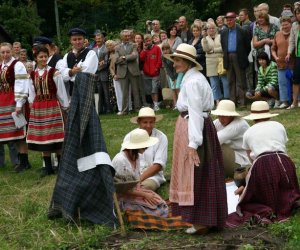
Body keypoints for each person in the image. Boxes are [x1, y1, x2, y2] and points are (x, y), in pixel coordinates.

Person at [165, 44, 227, 234]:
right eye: (174, 60)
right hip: (198, 125)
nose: (174, 64)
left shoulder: (192, 82)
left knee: (196, 172)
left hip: (195, 127)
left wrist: (193, 144)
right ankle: (207, 219)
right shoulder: (193, 78)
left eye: (177, 60)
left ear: (187, 62)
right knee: (204, 171)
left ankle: (200, 221)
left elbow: (194, 113)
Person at [48, 70, 115, 226]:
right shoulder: (79, 113)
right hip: (78, 166)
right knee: (73, 181)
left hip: (90, 164)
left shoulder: (85, 112)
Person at [226, 101, 300, 228]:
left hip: (262, 163)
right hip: (284, 161)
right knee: (285, 188)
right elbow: (283, 148)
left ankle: (268, 208)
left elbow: (251, 157)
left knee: (256, 195)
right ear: (269, 115)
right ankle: (288, 202)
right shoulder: (278, 125)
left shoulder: (249, 132)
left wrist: (252, 173)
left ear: (253, 118)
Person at [27, 46, 69, 177]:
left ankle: (61, 166)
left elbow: (61, 90)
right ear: (36, 58)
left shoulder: (54, 72)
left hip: (52, 106)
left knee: (56, 135)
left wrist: (65, 107)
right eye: (40, 57)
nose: (43, 59)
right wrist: (32, 105)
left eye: (45, 56)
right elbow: (32, 92)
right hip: (39, 108)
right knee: (43, 136)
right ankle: (48, 167)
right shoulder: (32, 75)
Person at [113, 128, 168, 216]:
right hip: (120, 197)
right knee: (154, 210)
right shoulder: (121, 160)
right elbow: (121, 189)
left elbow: (136, 181)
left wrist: (145, 194)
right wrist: (144, 195)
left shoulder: (136, 156)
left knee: (159, 202)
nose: (147, 147)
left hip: (133, 191)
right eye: (145, 145)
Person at [0, 42, 31, 173]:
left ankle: (24, 162)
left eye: (7, 51)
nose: (5, 54)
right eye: (2, 52)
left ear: (12, 51)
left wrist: (19, 103)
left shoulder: (17, 65)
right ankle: (20, 161)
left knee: (19, 132)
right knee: (11, 132)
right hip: (3, 100)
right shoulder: (1, 66)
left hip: (14, 99)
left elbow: (22, 83)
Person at [123, 107, 167, 191]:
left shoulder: (161, 137)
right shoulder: (130, 136)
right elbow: (124, 160)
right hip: (131, 175)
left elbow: (158, 165)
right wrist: (132, 180)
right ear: (138, 122)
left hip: (152, 176)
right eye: (145, 122)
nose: (148, 125)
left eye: (151, 122)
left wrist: (139, 180)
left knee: (143, 188)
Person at [211, 100, 251, 178]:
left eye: (224, 116)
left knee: (217, 146)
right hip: (234, 156)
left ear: (231, 115)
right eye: (219, 115)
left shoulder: (239, 124)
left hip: (243, 162)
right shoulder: (218, 122)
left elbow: (215, 141)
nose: (221, 119)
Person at [220, 12, 251, 107]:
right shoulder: (224, 32)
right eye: (227, 20)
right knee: (230, 80)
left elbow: (248, 47)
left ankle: (243, 102)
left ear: (235, 20)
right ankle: (232, 103)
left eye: (230, 20)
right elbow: (223, 45)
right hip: (228, 56)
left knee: (241, 80)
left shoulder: (242, 31)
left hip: (239, 56)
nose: (229, 22)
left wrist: (241, 55)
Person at [58, 28, 98, 97]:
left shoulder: (91, 53)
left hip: (86, 92)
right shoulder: (67, 55)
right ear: (70, 41)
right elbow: (62, 75)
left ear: (84, 39)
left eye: (79, 39)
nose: (77, 42)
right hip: (72, 92)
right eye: (74, 39)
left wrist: (69, 73)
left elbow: (85, 73)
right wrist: (72, 72)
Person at [114, 29, 141, 115]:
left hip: (133, 71)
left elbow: (134, 56)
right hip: (122, 72)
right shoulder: (117, 47)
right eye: (126, 36)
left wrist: (124, 57)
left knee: (136, 91)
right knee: (124, 92)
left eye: (129, 36)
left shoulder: (134, 45)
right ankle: (124, 110)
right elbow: (116, 60)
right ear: (121, 37)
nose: (128, 37)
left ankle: (138, 109)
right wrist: (126, 58)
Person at [202, 21, 229, 104]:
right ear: (206, 30)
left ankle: (227, 100)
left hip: (221, 61)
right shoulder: (204, 39)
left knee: (225, 82)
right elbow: (206, 49)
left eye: (213, 28)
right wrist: (204, 38)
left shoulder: (220, 36)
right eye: (209, 28)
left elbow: (224, 48)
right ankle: (217, 102)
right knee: (214, 84)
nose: (211, 30)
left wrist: (213, 50)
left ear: (216, 29)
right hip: (210, 63)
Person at [271, 16, 294, 109]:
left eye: (287, 24)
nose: (285, 26)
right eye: (283, 25)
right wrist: (275, 57)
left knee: (295, 82)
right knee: (282, 83)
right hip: (280, 63)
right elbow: (273, 49)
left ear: (290, 24)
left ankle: (296, 100)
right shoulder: (277, 34)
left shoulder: (294, 33)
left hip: (293, 63)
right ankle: (284, 101)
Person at [140, 34, 162, 111]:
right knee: (149, 90)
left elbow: (159, 59)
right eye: (146, 41)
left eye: (149, 40)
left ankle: (156, 105)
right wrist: (144, 50)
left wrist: (156, 68)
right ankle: (153, 103)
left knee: (154, 89)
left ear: (151, 40)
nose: (148, 42)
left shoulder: (157, 48)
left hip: (155, 73)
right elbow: (141, 58)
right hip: (146, 73)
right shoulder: (144, 50)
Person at [93, 31, 112, 114]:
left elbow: (106, 61)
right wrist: (97, 65)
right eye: (97, 39)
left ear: (103, 39)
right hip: (96, 75)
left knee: (106, 92)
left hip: (104, 73)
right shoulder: (93, 50)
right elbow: (92, 62)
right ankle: (99, 110)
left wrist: (98, 66)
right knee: (98, 93)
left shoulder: (106, 48)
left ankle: (108, 109)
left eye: (100, 38)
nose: (98, 40)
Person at [286, 6, 300, 109]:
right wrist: (289, 53)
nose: (299, 15)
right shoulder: (294, 25)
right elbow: (291, 41)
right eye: (297, 13)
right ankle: (294, 102)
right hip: (298, 56)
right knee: (296, 79)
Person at [161, 42, 183, 108]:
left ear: (169, 49)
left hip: (178, 72)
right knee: (173, 88)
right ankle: (175, 104)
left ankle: (181, 104)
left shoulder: (174, 55)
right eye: (164, 49)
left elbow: (175, 67)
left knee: (178, 87)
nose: (165, 51)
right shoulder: (163, 57)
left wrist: (175, 78)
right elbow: (167, 68)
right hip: (171, 74)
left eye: (167, 49)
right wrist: (172, 78)